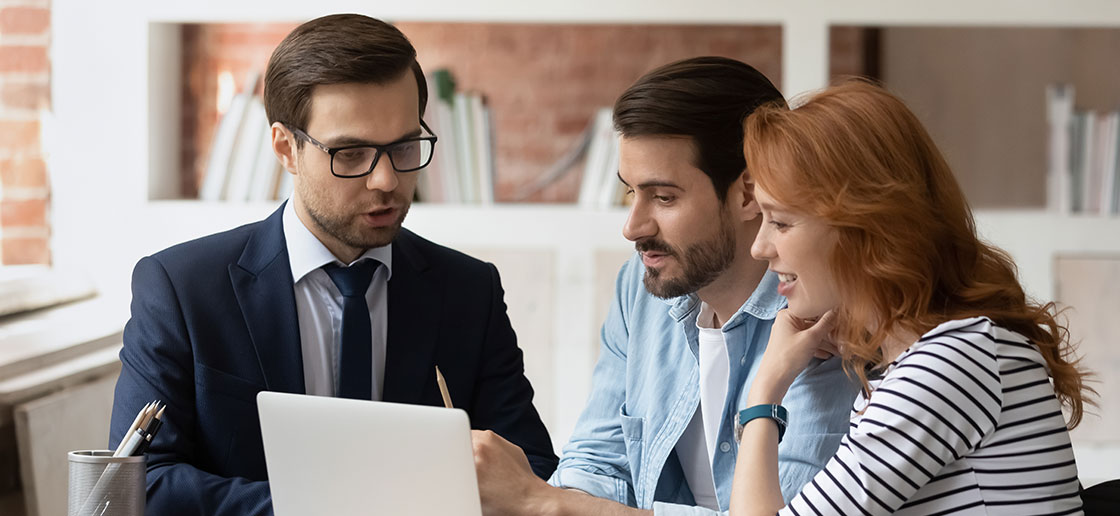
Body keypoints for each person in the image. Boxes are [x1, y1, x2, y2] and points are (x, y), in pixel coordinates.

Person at [108, 14, 556, 515]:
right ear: (286, 149)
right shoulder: (181, 288)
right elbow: (140, 481)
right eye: (352, 152)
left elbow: (531, 470)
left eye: (404, 146)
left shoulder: (469, 291)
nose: (386, 179)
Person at [471, 57, 859, 515]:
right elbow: (598, 463)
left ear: (748, 194)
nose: (633, 227)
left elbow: (790, 512)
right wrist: (548, 501)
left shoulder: (821, 311)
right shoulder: (642, 290)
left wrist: (543, 503)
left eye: (663, 197)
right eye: (630, 192)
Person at [728, 80, 1093, 515]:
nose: (760, 246)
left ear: (866, 228)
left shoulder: (953, 363)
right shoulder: (916, 365)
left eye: (781, 223)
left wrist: (766, 388)